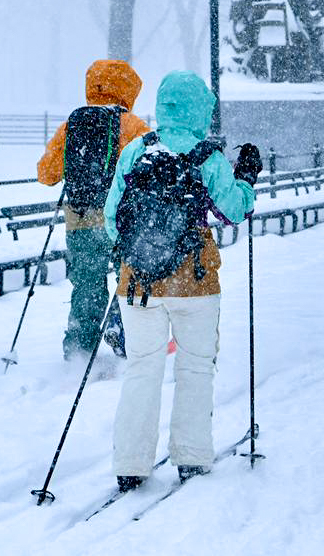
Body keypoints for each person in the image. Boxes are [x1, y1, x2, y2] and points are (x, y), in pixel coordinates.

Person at [104, 72, 258, 491]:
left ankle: (130, 462)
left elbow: (112, 220)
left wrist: (145, 251)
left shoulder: (136, 151)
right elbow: (233, 210)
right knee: (195, 366)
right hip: (196, 280)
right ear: (200, 109)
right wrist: (246, 178)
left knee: (142, 368)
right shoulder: (208, 157)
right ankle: (191, 455)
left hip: (138, 284)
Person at [37, 60, 152, 361]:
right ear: (129, 89)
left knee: (87, 284)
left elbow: (46, 174)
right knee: (129, 275)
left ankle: (79, 348)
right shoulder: (135, 126)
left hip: (80, 219)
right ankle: (122, 327)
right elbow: (149, 173)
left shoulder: (72, 124)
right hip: (120, 219)